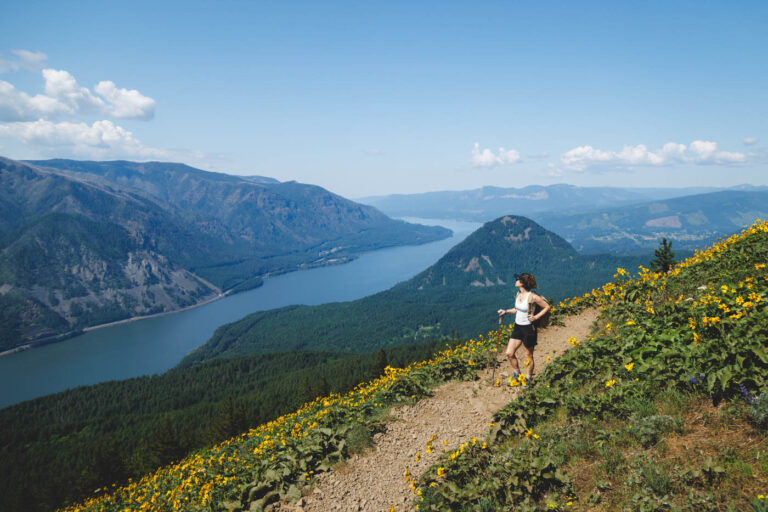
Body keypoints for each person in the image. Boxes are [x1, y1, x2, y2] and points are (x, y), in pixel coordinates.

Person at [497, 273, 550, 384]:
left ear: (522, 283)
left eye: (517, 279)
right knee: (509, 353)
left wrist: (535, 317)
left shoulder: (533, 297)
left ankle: (529, 378)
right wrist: (505, 311)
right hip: (518, 327)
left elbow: (546, 306)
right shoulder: (518, 294)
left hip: (528, 329)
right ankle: (517, 373)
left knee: (528, 355)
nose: (515, 281)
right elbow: (517, 309)